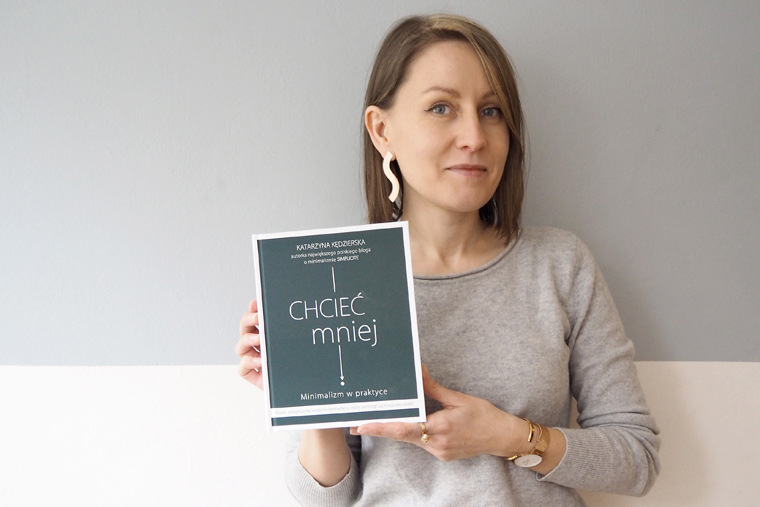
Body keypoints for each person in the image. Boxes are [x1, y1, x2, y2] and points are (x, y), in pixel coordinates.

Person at [236, 13, 660, 506]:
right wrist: (312, 398)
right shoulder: (339, 277)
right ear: (382, 130)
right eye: (441, 107)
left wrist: (508, 435)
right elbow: (325, 500)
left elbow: (637, 460)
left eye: (491, 110)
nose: (474, 137)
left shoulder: (560, 265)